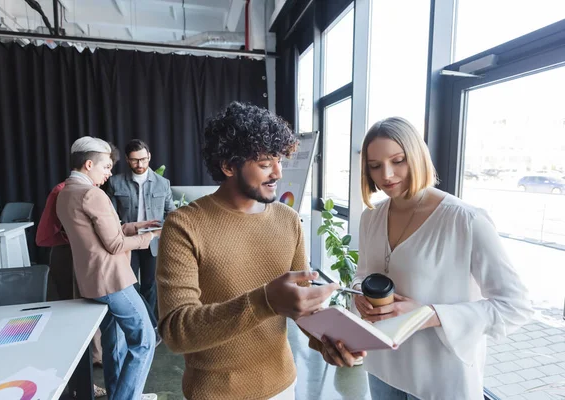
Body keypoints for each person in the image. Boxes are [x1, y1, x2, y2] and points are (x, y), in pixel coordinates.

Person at [316, 117, 533, 399]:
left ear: (417, 157)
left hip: (440, 376)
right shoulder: (371, 217)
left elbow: (516, 306)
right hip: (383, 367)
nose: (387, 175)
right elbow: (364, 274)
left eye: (398, 160)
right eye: (375, 166)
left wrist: (429, 315)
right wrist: (359, 293)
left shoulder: (466, 220)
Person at [156, 101, 342, 400]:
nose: (278, 173)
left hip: (283, 385)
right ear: (228, 166)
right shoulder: (184, 226)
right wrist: (264, 301)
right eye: (265, 163)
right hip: (216, 393)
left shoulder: (289, 220)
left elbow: (302, 306)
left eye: (279, 160)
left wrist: (330, 341)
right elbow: (177, 332)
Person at [56, 136, 160, 400]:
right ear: (89, 164)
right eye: (106, 167)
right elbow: (114, 245)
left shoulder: (65, 193)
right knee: (145, 339)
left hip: (91, 281)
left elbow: (100, 236)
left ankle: (118, 393)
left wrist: (136, 226)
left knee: (114, 343)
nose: (109, 173)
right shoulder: (93, 194)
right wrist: (150, 237)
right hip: (113, 280)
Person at [106, 139, 175, 326]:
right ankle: (148, 322)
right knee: (129, 286)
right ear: (128, 160)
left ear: (149, 156)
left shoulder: (163, 183)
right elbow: (110, 216)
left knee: (150, 285)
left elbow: (172, 214)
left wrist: (163, 230)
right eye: (135, 160)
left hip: (152, 242)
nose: (140, 164)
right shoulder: (115, 182)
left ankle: (148, 325)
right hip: (126, 242)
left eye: (144, 159)